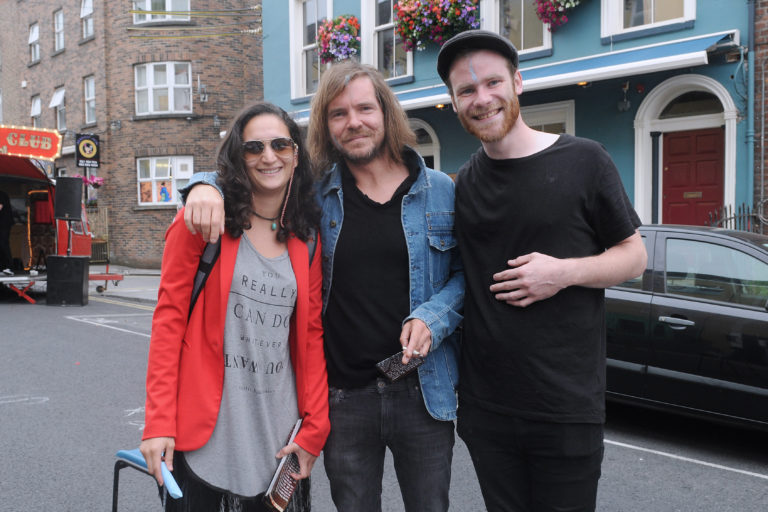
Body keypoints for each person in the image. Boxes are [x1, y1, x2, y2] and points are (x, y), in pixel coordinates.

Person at [181, 60, 464, 512]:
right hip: (344, 398)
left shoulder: (441, 190)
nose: (354, 122)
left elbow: (462, 276)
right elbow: (252, 175)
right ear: (326, 127)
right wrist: (201, 186)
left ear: (386, 113)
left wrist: (433, 319)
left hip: (421, 392)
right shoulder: (315, 194)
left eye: (364, 109)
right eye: (338, 113)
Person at [435, 30, 648, 512]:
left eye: (492, 83)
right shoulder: (461, 185)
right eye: (466, 90)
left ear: (518, 82)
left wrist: (564, 272)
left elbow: (634, 256)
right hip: (487, 412)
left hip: (565, 409)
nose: (482, 98)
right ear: (452, 102)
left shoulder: (585, 160)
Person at [140, 101, 330, 512]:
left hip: (278, 438)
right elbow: (168, 322)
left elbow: (310, 336)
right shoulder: (202, 222)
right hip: (205, 438)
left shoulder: (307, 239)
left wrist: (316, 426)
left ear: (296, 154)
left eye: (280, 144)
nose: (268, 156)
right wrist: (157, 423)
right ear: (237, 157)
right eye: (253, 147)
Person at [0, 190, 13, 275]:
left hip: (4, 224)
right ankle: (2, 267)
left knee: (3, 244)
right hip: (3, 224)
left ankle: (8, 267)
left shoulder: (1, 194)